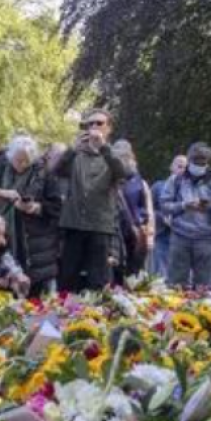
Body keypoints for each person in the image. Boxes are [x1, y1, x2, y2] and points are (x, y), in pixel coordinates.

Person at [0, 136, 63, 295]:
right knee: (3, 292)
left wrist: (35, 207)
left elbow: (57, 207)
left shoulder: (44, 174)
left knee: (33, 294)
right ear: (10, 156)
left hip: (34, 245)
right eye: (18, 160)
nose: (22, 165)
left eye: (26, 161)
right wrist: (2, 192)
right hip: (0, 239)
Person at [55, 109, 126, 292]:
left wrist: (103, 148)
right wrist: (71, 150)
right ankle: (65, 316)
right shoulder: (76, 153)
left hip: (100, 225)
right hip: (74, 224)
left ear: (109, 128)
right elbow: (57, 172)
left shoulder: (113, 154)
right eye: (90, 124)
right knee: (68, 278)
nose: (93, 127)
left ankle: (96, 317)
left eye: (99, 123)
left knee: (98, 280)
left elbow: (123, 174)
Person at [161, 143, 211, 288]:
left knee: (202, 287)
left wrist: (209, 208)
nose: (199, 165)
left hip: (205, 239)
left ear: (208, 162)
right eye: (196, 162)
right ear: (189, 160)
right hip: (180, 237)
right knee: (175, 285)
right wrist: (184, 205)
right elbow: (164, 205)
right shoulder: (176, 180)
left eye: (203, 162)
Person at [113, 140, 155, 277]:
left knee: (136, 272)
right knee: (116, 270)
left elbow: (148, 208)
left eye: (126, 155)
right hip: (115, 232)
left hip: (137, 232)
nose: (123, 159)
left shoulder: (140, 182)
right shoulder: (110, 179)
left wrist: (149, 235)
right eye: (119, 155)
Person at [150, 154, 188, 278]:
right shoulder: (158, 186)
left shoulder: (191, 189)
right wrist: (162, 218)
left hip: (184, 236)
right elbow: (148, 210)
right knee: (161, 273)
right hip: (162, 235)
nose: (182, 169)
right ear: (171, 167)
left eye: (185, 167)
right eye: (179, 166)